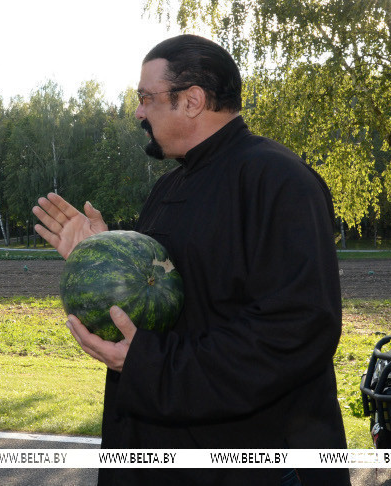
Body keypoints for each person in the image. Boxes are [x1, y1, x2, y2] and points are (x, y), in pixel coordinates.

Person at [32, 34, 349, 486]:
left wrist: (148, 364)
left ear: (193, 100)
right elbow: (173, 300)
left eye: (146, 97)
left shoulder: (277, 179)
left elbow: (296, 330)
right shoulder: (169, 188)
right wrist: (103, 258)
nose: (139, 112)